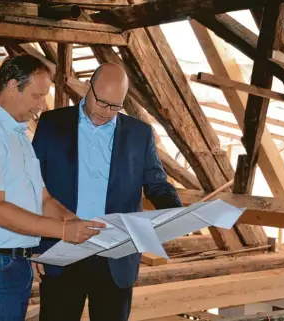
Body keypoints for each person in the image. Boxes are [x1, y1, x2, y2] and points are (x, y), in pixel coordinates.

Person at [0, 54, 105, 321]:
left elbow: (44, 200)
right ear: (12, 85)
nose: (41, 105)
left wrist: (78, 223)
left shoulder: (18, 136)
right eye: (36, 96)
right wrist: (63, 231)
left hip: (11, 263)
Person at [31, 63, 183, 321]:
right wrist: (33, 243)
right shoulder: (51, 123)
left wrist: (176, 211)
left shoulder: (140, 134)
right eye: (102, 103)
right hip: (62, 248)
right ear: (88, 87)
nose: (107, 112)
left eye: (116, 107)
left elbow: (157, 183)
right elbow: (32, 185)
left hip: (116, 256)